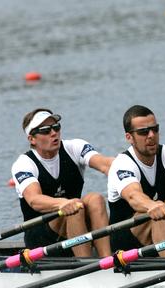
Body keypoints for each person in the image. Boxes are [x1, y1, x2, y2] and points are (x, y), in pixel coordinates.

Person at [11, 108, 114, 257]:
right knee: (75, 207)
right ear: (32, 139)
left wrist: (125, 165)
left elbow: (105, 164)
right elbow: (34, 200)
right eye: (45, 130)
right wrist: (62, 203)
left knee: (95, 199)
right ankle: (85, 264)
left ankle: (107, 260)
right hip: (40, 238)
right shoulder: (24, 164)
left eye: (56, 127)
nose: (53, 133)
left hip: (74, 224)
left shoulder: (74, 147)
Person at [106, 105, 165, 258]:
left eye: (155, 129)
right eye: (143, 132)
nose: (151, 135)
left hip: (160, 233)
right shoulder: (123, 164)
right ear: (129, 137)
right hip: (127, 244)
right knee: (159, 209)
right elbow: (133, 196)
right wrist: (152, 205)